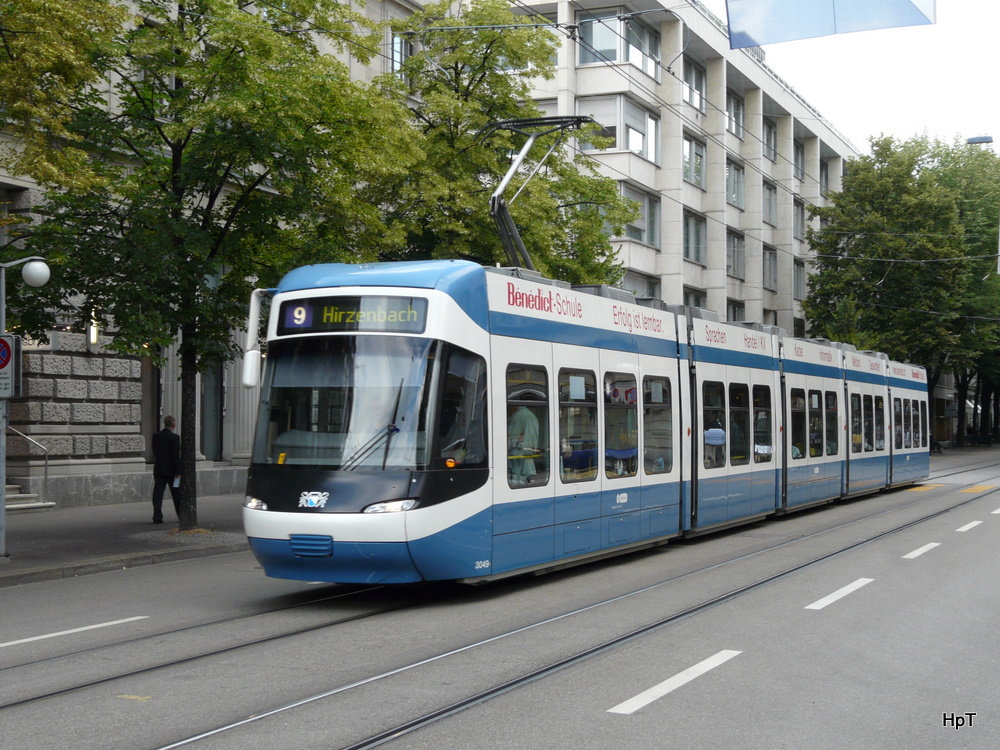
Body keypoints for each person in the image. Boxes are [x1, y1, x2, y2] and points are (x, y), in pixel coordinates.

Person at [151, 415, 181, 524]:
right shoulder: (175, 437)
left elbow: (155, 451)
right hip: (172, 472)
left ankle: (157, 516)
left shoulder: (156, 436)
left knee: (158, 494)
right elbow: (175, 455)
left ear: (165, 424)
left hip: (159, 469)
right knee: (177, 493)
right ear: (173, 425)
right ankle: (181, 515)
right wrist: (178, 471)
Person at [507, 405, 539, 486]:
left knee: (517, 478)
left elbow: (512, 436)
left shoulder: (517, 416)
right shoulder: (532, 415)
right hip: (529, 450)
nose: (509, 412)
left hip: (518, 452)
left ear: (514, 407)